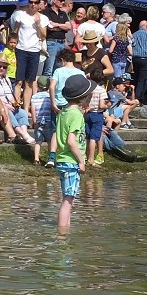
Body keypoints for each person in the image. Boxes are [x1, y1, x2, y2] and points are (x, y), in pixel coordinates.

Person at [56, 72, 92, 232]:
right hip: (71, 161)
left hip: (61, 160)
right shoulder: (76, 115)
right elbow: (71, 141)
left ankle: (66, 228)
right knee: (68, 200)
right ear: (83, 97)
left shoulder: (63, 112)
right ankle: (62, 233)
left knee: (67, 198)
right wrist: (81, 161)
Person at [11, 0, 47, 114]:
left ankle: (26, 110)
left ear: (39, 4)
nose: (32, 4)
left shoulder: (43, 18)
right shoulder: (20, 14)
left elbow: (44, 35)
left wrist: (38, 24)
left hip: (34, 50)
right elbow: (14, 31)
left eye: (35, 2)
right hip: (21, 49)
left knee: (29, 82)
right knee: (19, 80)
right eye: (30, 2)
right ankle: (16, 106)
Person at [41, 0, 72, 78]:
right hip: (52, 42)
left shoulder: (63, 13)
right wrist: (62, 26)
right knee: (49, 69)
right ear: (54, 1)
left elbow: (69, 26)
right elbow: (49, 26)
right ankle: (45, 89)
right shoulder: (47, 12)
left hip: (61, 43)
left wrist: (57, 25)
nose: (63, 2)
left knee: (59, 69)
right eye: (61, 0)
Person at [130, 19, 147, 104]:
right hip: (145, 59)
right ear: (146, 26)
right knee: (142, 79)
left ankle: (133, 96)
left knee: (136, 78)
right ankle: (138, 99)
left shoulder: (133, 34)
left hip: (135, 59)